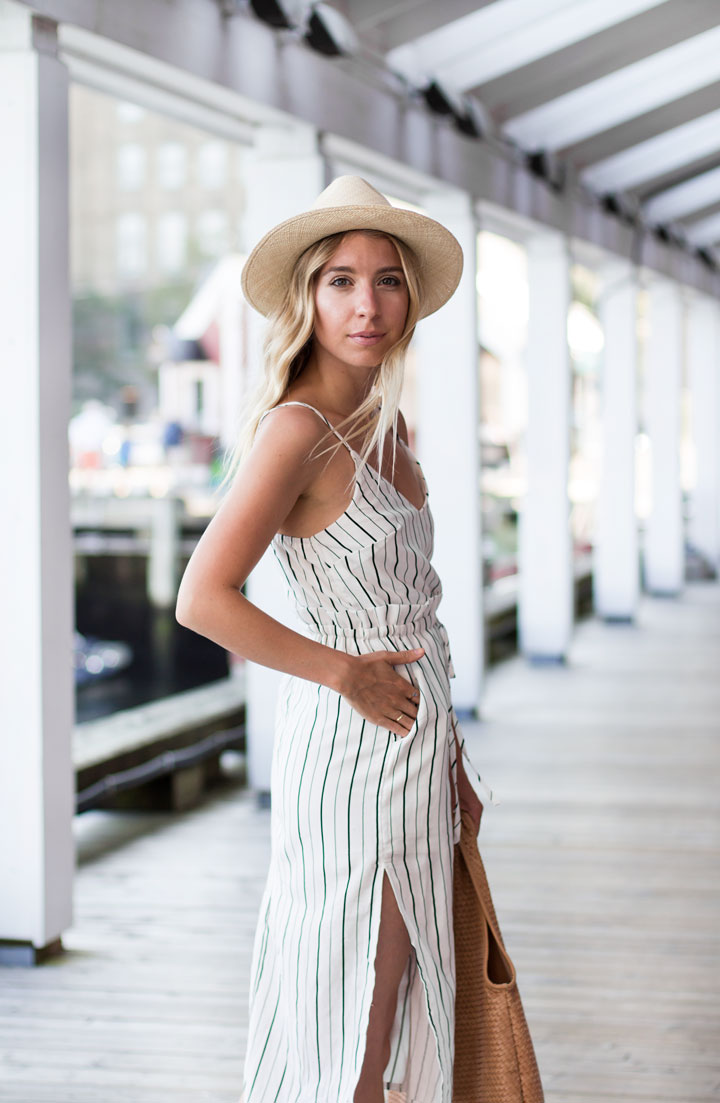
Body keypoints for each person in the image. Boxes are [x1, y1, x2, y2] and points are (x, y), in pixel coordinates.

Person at [175, 175, 497, 1103]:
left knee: (399, 1001)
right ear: (306, 298)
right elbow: (204, 596)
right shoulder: (298, 430)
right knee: (348, 1007)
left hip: (413, 746)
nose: (368, 304)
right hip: (353, 750)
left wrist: (454, 767)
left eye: (388, 279)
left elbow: (416, 612)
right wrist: (342, 673)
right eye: (341, 280)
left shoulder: (385, 424)